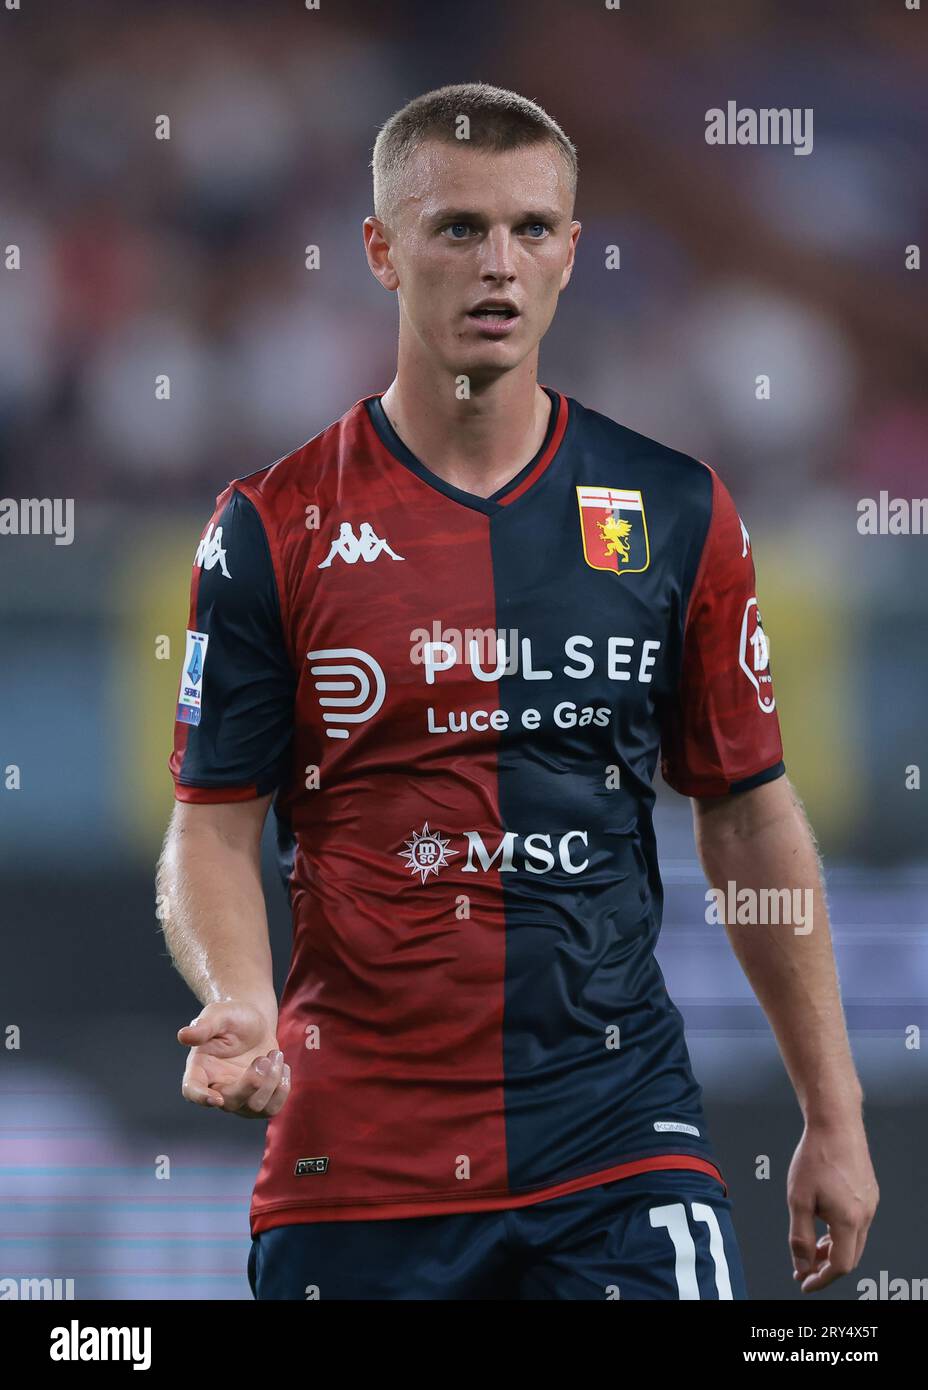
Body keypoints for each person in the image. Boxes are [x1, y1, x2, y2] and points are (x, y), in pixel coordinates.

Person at [157, 82, 878, 1300]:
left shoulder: (671, 509)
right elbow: (211, 826)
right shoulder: (270, 526)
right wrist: (241, 997)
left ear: (571, 253)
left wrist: (834, 1111)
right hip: (356, 1171)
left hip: (618, 1145)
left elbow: (749, 813)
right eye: (458, 229)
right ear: (383, 250)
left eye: (532, 230)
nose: (499, 264)